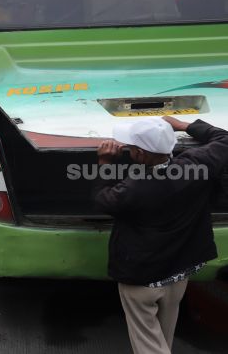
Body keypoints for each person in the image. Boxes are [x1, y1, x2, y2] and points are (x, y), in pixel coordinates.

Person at [93, 116, 228, 354]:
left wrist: (105, 163)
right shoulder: (198, 164)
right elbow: (225, 138)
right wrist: (186, 125)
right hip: (179, 273)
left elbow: (104, 200)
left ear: (141, 155)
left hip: (143, 279)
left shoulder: (136, 188)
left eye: (132, 148)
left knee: (149, 346)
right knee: (162, 337)